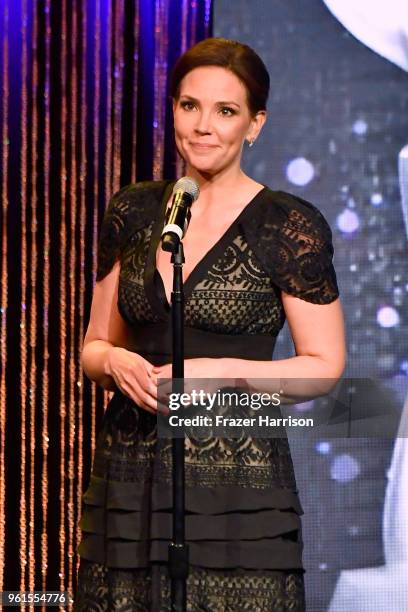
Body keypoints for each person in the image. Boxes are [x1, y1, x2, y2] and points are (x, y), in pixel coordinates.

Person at [74, 37, 346, 611]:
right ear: (172, 109)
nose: (203, 126)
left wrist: (214, 374)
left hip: (237, 483)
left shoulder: (286, 223)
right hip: (132, 472)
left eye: (225, 111)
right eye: (189, 106)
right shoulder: (135, 211)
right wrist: (115, 361)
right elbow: (94, 347)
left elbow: (323, 368)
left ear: (255, 123)